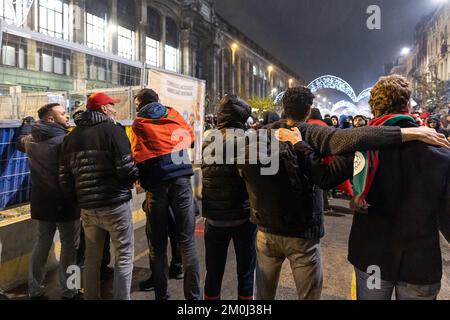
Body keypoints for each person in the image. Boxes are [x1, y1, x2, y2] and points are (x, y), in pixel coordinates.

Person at [238, 86, 449, 300]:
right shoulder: (313, 132)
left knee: (263, 294)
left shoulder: (261, 133)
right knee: (308, 294)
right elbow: (347, 142)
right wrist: (408, 132)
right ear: (309, 109)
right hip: (305, 233)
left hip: (269, 229)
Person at [349, 75, 449, 300]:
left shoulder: (362, 148)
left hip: (373, 260)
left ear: (374, 110)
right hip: (419, 265)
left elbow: (325, 175)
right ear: (407, 105)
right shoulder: (440, 151)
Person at [59, 92, 139, 300]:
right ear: (104, 109)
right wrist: (132, 181)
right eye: (112, 105)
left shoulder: (71, 137)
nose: (114, 109)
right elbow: (126, 169)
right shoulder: (113, 131)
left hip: (87, 208)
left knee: (91, 258)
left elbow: (64, 176)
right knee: (123, 255)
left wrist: (80, 200)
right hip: (115, 205)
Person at [131, 88, 200, 300]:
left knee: (157, 246)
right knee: (187, 242)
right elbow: (189, 138)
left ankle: (162, 296)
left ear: (140, 104)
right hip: (180, 180)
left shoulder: (138, 123)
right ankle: (194, 299)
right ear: (158, 100)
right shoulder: (173, 113)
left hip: (156, 185)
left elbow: (136, 155)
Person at [16, 104, 81, 300]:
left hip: (41, 201)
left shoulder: (31, 141)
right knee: (71, 247)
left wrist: (27, 124)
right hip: (66, 201)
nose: (67, 115)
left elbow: (20, 140)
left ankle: (34, 290)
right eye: (63, 113)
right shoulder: (67, 141)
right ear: (51, 119)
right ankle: (70, 291)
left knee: (42, 243)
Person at [202, 95, 257, 300]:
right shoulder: (248, 140)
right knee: (245, 271)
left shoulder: (209, 138)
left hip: (214, 218)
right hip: (243, 217)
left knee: (213, 271)